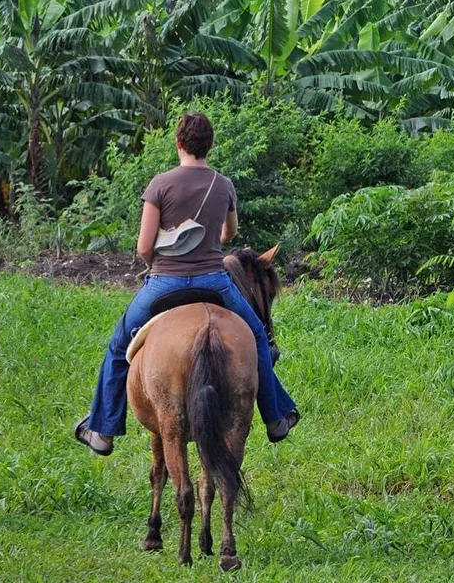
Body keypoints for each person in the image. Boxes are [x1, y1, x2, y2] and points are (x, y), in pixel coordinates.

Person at [74, 112, 299, 455]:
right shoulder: (223, 185)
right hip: (215, 281)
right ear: (209, 145)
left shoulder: (160, 185)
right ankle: (276, 417)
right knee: (256, 339)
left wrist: (158, 266)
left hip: (164, 283)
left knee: (119, 345)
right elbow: (230, 233)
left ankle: (102, 431)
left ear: (178, 143)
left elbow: (144, 246)